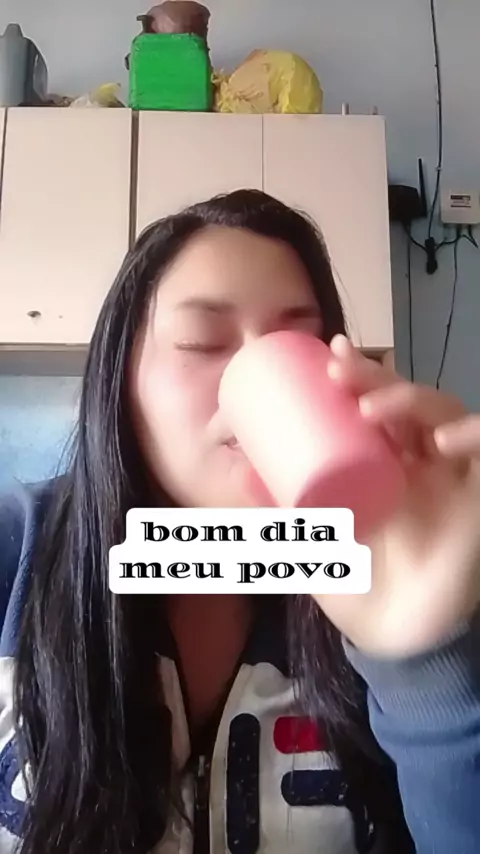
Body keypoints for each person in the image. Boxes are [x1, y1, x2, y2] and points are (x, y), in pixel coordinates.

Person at [0, 189, 479, 854]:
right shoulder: (16, 546)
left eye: (298, 342)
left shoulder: (402, 569)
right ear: (121, 378)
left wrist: (428, 658)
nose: (259, 372)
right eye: (202, 341)